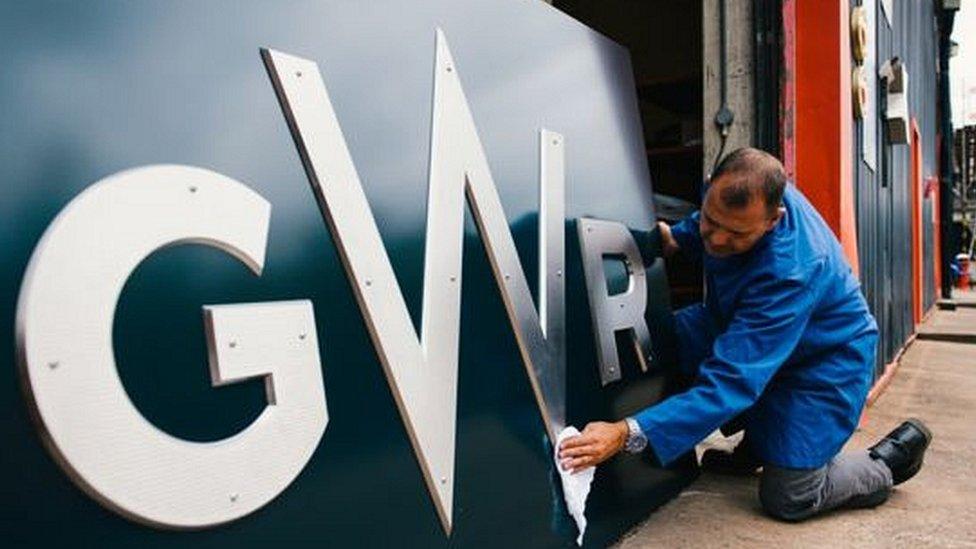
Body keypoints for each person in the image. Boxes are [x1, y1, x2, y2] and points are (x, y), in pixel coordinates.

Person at [558, 148, 932, 521]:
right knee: (655, 338)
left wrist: (626, 432)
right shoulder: (746, 195)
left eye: (736, 233)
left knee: (790, 496)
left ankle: (887, 463)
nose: (717, 241)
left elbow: (733, 382)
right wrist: (664, 237)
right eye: (710, 220)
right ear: (708, 190)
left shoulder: (792, 272)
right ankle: (758, 448)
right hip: (740, 324)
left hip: (822, 359)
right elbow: (692, 235)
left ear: (774, 220)